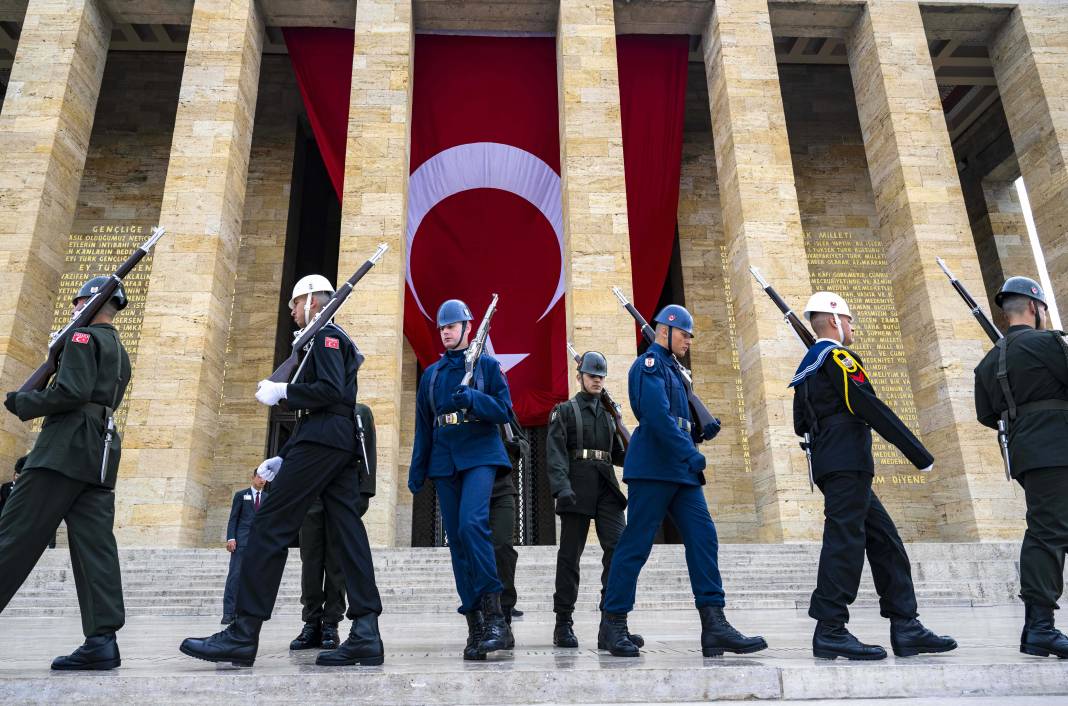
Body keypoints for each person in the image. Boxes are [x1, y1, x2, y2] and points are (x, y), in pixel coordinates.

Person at [180, 274, 383, 668]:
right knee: (348, 533)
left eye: (295, 303)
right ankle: (366, 632)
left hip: (324, 440)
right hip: (331, 440)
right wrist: (284, 456)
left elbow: (329, 392)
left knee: (268, 524)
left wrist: (284, 391)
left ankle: (242, 633)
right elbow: (321, 410)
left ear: (311, 301)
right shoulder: (323, 338)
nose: (291, 311)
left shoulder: (326, 336)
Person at [791, 292, 956, 660]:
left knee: (885, 540)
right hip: (848, 460)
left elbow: (800, 421)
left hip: (832, 460)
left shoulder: (808, 365)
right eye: (849, 320)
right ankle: (830, 628)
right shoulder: (837, 357)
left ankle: (906, 626)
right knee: (845, 541)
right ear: (835, 320)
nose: (852, 327)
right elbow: (867, 404)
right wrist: (917, 453)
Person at [600, 305, 765, 658]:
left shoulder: (676, 370)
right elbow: (657, 417)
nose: (689, 341)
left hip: (681, 469)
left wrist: (701, 429)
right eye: (685, 334)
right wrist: (689, 451)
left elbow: (678, 415)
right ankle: (613, 623)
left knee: (704, 538)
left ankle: (714, 625)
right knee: (636, 544)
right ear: (665, 331)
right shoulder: (648, 365)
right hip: (655, 466)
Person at [0, 276, 132, 670]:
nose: (73, 309)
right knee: (95, 547)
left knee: (14, 534)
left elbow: (71, 392)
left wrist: (24, 402)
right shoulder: (120, 351)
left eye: (77, 302)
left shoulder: (81, 337)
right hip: (100, 451)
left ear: (86, 304)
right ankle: (102, 640)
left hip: (64, 448)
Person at [408, 298, 515, 661]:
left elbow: (504, 411)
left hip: (481, 453)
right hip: (445, 459)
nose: (446, 332)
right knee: (456, 542)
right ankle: (475, 623)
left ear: (469, 328)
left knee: (472, 524)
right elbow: (424, 426)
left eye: (452, 326)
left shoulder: (487, 366)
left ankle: (495, 616)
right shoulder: (432, 375)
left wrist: (473, 399)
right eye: (441, 328)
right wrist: (417, 468)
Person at [974, 277, 1068, 659]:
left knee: (1053, 529)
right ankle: (1039, 627)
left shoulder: (987, 362)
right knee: (1048, 533)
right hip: (1058, 448)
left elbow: (986, 414)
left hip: (1027, 453)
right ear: (1034, 307)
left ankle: (1038, 626)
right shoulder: (1049, 343)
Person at [547, 351, 642, 649]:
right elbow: (556, 453)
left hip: (606, 488)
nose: (597, 380)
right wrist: (561, 487)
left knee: (619, 550)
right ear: (580, 377)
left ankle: (611, 622)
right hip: (575, 486)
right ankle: (563, 622)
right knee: (569, 557)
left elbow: (619, 455)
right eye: (592, 375)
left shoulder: (609, 415)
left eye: (601, 376)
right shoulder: (564, 411)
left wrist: (635, 444)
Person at [290, 402, 377, 651]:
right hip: (311, 495)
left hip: (343, 494)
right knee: (310, 561)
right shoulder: (310, 412)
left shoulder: (360, 412)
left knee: (336, 563)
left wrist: (365, 493)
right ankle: (311, 622)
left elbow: (368, 453)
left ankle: (331, 623)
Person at [221, 470, 268, 624]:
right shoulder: (241, 495)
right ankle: (229, 612)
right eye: (260, 477)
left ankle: (247, 612)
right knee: (235, 577)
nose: (262, 480)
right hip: (242, 542)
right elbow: (233, 518)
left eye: (265, 478)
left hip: (259, 545)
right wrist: (231, 538)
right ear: (253, 478)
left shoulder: (267, 498)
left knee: (254, 579)